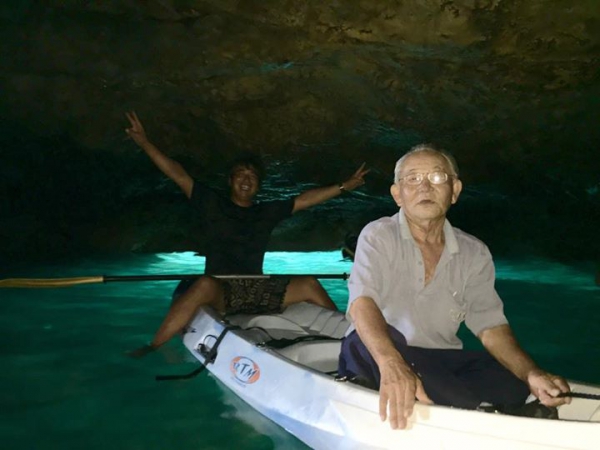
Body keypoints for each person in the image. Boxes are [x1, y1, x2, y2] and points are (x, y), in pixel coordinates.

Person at [338, 144, 571, 430]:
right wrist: (391, 364)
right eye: (412, 179)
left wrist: (532, 373)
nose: (424, 186)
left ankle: (473, 405)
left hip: (438, 357)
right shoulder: (378, 235)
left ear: (455, 190)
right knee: (444, 390)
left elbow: (490, 326)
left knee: (514, 385)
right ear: (397, 195)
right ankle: (478, 415)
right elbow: (362, 302)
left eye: (437, 177)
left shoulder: (475, 252)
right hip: (377, 348)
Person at [124, 111, 369, 357]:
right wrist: (144, 142)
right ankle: (153, 345)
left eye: (252, 176)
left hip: (256, 288)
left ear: (258, 185)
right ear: (231, 180)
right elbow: (178, 174)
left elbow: (304, 200)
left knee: (308, 284)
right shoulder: (212, 203)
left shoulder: (266, 212)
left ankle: (349, 340)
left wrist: (343, 187)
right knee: (204, 284)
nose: (246, 179)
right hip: (222, 289)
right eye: (241, 174)